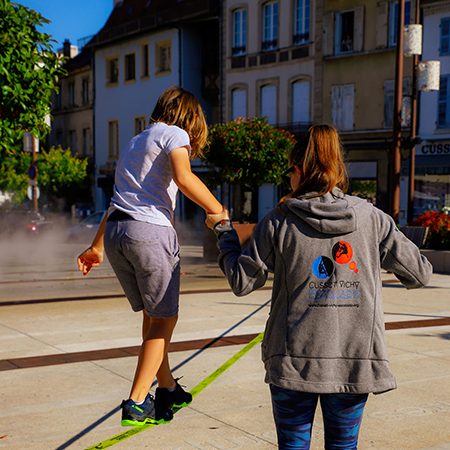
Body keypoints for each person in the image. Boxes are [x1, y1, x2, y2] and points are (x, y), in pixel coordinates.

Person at [205, 124, 432, 449]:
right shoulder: (372, 218)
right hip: (354, 361)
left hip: (293, 362)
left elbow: (242, 282)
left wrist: (225, 234)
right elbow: (420, 273)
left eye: (289, 170)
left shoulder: (279, 220)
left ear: (300, 170)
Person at [77, 86, 225, 427]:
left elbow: (117, 201)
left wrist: (96, 247)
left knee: (152, 315)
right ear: (190, 117)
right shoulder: (174, 134)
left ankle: (168, 387)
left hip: (117, 232)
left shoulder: (134, 142)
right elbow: (184, 178)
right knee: (164, 320)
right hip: (149, 232)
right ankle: (138, 401)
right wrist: (217, 209)